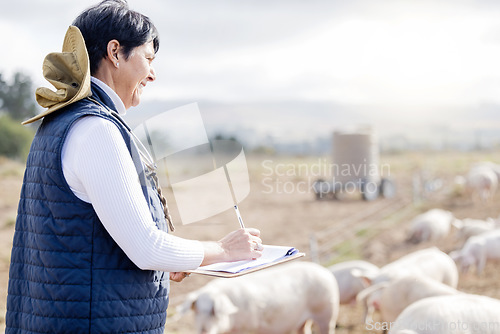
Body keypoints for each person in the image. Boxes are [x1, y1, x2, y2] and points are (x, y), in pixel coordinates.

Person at [5, 1, 263, 333]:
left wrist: (174, 259)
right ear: (115, 52)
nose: (153, 73)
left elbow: (93, 240)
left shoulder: (62, 123)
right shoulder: (96, 130)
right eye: (148, 58)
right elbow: (146, 247)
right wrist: (224, 250)